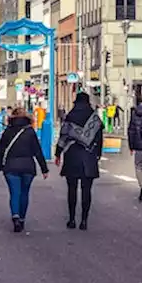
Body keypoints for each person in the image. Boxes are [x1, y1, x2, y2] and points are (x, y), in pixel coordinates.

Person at [0, 106, 49, 232]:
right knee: (24, 193)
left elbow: (1, 150)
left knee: (14, 193)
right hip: (28, 166)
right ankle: (22, 219)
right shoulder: (30, 132)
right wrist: (44, 168)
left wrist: (0, 165)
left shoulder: (7, 131)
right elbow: (37, 151)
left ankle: (15, 216)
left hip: (11, 166)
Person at [56, 91, 103, 230]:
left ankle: (71, 219)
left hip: (72, 155)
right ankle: (84, 220)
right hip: (89, 156)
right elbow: (99, 139)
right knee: (86, 190)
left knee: (72, 189)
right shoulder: (94, 118)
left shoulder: (70, 116)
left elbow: (63, 136)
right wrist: (98, 154)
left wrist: (58, 153)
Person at [127, 91, 142, 202]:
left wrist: (131, 146)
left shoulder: (135, 112)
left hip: (138, 144)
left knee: (138, 167)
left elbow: (131, 130)